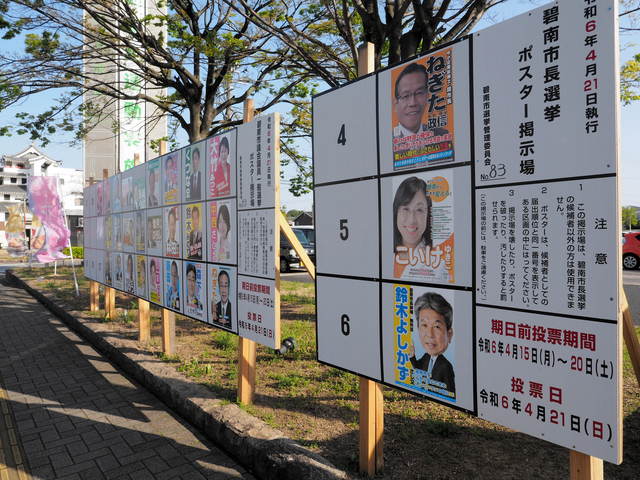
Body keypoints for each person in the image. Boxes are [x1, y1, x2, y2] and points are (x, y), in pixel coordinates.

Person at [408, 292, 455, 398]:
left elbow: (451, 393)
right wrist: (412, 355)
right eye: (424, 325)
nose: (430, 334)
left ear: (449, 334)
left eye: (437, 327)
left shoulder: (446, 366)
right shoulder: (426, 357)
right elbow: (418, 368)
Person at [392, 62, 450, 140]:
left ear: (427, 97)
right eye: (406, 96)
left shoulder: (441, 135)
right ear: (395, 105)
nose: (413, 103)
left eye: (419, 93)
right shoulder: (387, 142)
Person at [393, 176, 432, 260]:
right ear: (396, 212)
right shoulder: (383, 252)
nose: (411, 220)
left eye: (419, 210)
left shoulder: (438, 259)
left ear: (428, 214)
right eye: (405, 209)